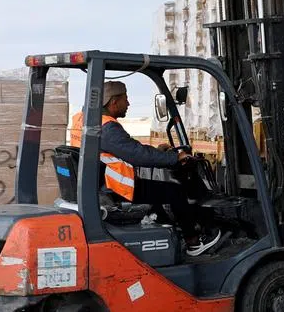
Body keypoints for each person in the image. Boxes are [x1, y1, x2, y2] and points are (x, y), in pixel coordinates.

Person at [94, 81, 221, 257]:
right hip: (116, 188)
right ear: (114, 102)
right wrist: (175, 157)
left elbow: (128, 148)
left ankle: (166, 229)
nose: (129, 104)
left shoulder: (92, 122)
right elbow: (136, 155)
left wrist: (156, 151)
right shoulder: (108, 128)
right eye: (126, 99)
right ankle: (193, 242)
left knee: (157, 193)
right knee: (174, 191)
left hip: (106, 184)